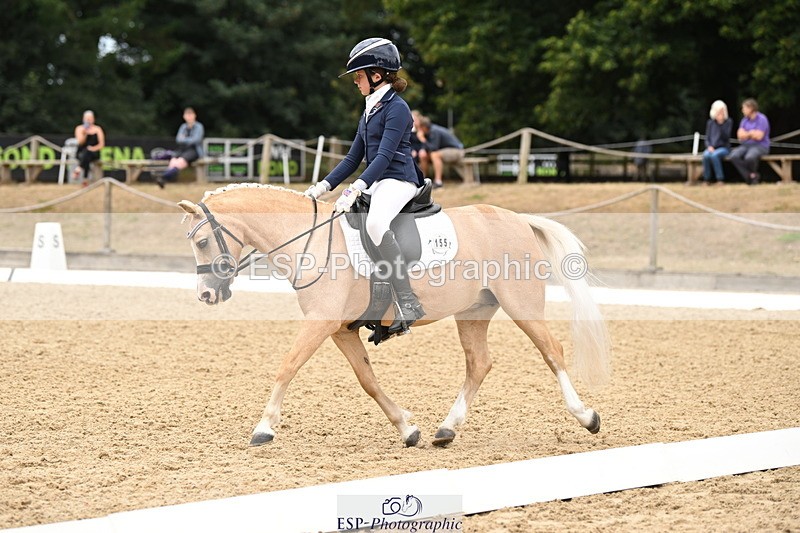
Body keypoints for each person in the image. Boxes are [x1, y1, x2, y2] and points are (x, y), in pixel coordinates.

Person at [304, 37, 426, 330]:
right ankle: (375, 299)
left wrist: (355, 188)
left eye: (358, 76)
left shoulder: (397, 108)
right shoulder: (369, 109)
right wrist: (321, 187)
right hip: (377, 180)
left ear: (376, 75)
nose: (356, 82)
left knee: (374, 224)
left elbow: (384, 157)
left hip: (399, 179)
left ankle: (408, 301)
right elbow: (352, 158)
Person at [156, 107, 205, 188]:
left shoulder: (199, 126)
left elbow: (196, 140)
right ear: (184, 116)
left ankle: (163, 177)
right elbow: (178, 139)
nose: (189, 117)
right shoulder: (183, 127)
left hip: (194, 150)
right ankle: (163, 178)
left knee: (180, 161)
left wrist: (184, 139)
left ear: (194, 115)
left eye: (190, 115)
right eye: (187, 115)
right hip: (183, 149)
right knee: (173, 160)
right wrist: (188, 139)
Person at [414, 114, 464, 188]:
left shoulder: (434, 131)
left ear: (424, 127)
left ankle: (438, 182)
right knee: (423, 155)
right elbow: (427, 147)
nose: (419, 130)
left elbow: (433, 148)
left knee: (435, 154)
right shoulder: (428, 132)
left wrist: (422, 139)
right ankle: (422, 180)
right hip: (445, 151)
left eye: (419, 128)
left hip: (457, 151)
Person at [729, 98, 770, 185]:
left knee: (750, 157)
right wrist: (751, 133)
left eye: (744, 108)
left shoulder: (762, 119)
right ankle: (751, 176)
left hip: (760, 145)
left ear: (751, 108)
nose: (742, 110)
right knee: (733, 156)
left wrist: (746, 134)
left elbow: (759, 136)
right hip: (745, 145)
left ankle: (751, 178)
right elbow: (739, 136)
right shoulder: (744, 120)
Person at [702, 100, 733, 185]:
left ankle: (720, 179)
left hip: (724, 148)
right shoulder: (710, 123)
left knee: (715, 155)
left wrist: (721, 124)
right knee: (706, 155)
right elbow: (707, 138)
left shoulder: (728, 122)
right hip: (712, 147)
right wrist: (709, 146)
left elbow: (726, 137)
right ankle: (706, 179)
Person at [72, 110, 105, 185]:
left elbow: (101, 144)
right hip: (82, 152)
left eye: (90, 118)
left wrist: (93, 148)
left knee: (88, 152)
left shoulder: (98, 129)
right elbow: (80, 143)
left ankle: (78, 170)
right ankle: (85, 178)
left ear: (93, 119)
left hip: (94, 152)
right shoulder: (79, 129)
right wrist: (85, 134)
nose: (88, 120)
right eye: (87, 118)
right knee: (86, 154)